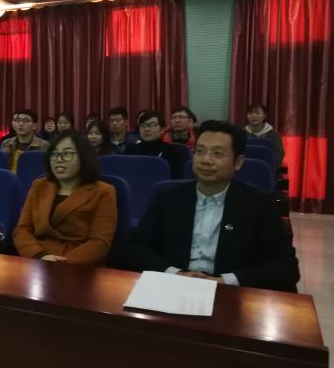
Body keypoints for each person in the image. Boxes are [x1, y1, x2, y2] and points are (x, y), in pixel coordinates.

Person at [127, 120, 299, 292]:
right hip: (173, 287)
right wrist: (175, 274)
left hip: (231, 293)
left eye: (217, 154)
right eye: (200, 151)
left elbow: (286, 268)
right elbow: (134, 249)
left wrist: (226, 281)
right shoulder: (167, 197)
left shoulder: (259, 204)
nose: (206, 160)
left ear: (238, 162)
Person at [13, 130, 117, 266]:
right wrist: (39, 255)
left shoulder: (103, 191)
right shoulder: (39, 185)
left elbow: (100, 242)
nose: (59, 159)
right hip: (37, 259)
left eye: (67, 154)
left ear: (84, 157)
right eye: (54, 154)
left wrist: (62, 263)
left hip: (77, 265)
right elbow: (22, 230)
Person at [124, 110, 188, 178]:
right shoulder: (129, 151)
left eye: (152, 125)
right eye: (143, 125)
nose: (147, 129)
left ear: (162, 129)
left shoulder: (175, 152)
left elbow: (179, 180)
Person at [245, 103, 285, 169]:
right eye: (250, 113)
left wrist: (270, 166)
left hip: (267, 169)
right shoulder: (242, 133)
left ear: (264, 116)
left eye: (257, 113)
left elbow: (279, 153)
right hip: (246, 168)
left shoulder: (273, 134)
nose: (253, 116)